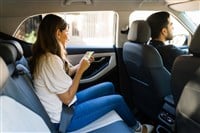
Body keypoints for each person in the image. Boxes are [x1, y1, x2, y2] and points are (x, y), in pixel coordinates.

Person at [29, 14, 153, 133]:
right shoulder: (50, 61)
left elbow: (64, 74)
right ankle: (138, 129)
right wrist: (81, 71)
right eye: (66, 32)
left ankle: (122, 117)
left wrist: (80, 65)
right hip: (64, 119)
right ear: (57, 33)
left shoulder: (46, 56)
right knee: (117, 100)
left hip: (66, 107)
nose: (68, 36)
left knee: (108, 86)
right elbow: (67, 98)